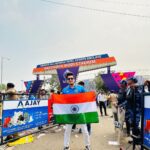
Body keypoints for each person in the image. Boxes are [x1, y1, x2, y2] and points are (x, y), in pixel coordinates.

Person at [62, 72, 90, 150]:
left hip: (80, 113)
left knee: (85, 130)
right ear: (67, 80)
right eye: (69, 79)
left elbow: (86, 98)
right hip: (70, 114)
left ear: (74, 79)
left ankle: (87, 146)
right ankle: (66, 146)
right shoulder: (64, 90)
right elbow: (62, 102)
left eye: (72, 78)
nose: (70, 80)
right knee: (67, 131)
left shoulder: (80, 88)